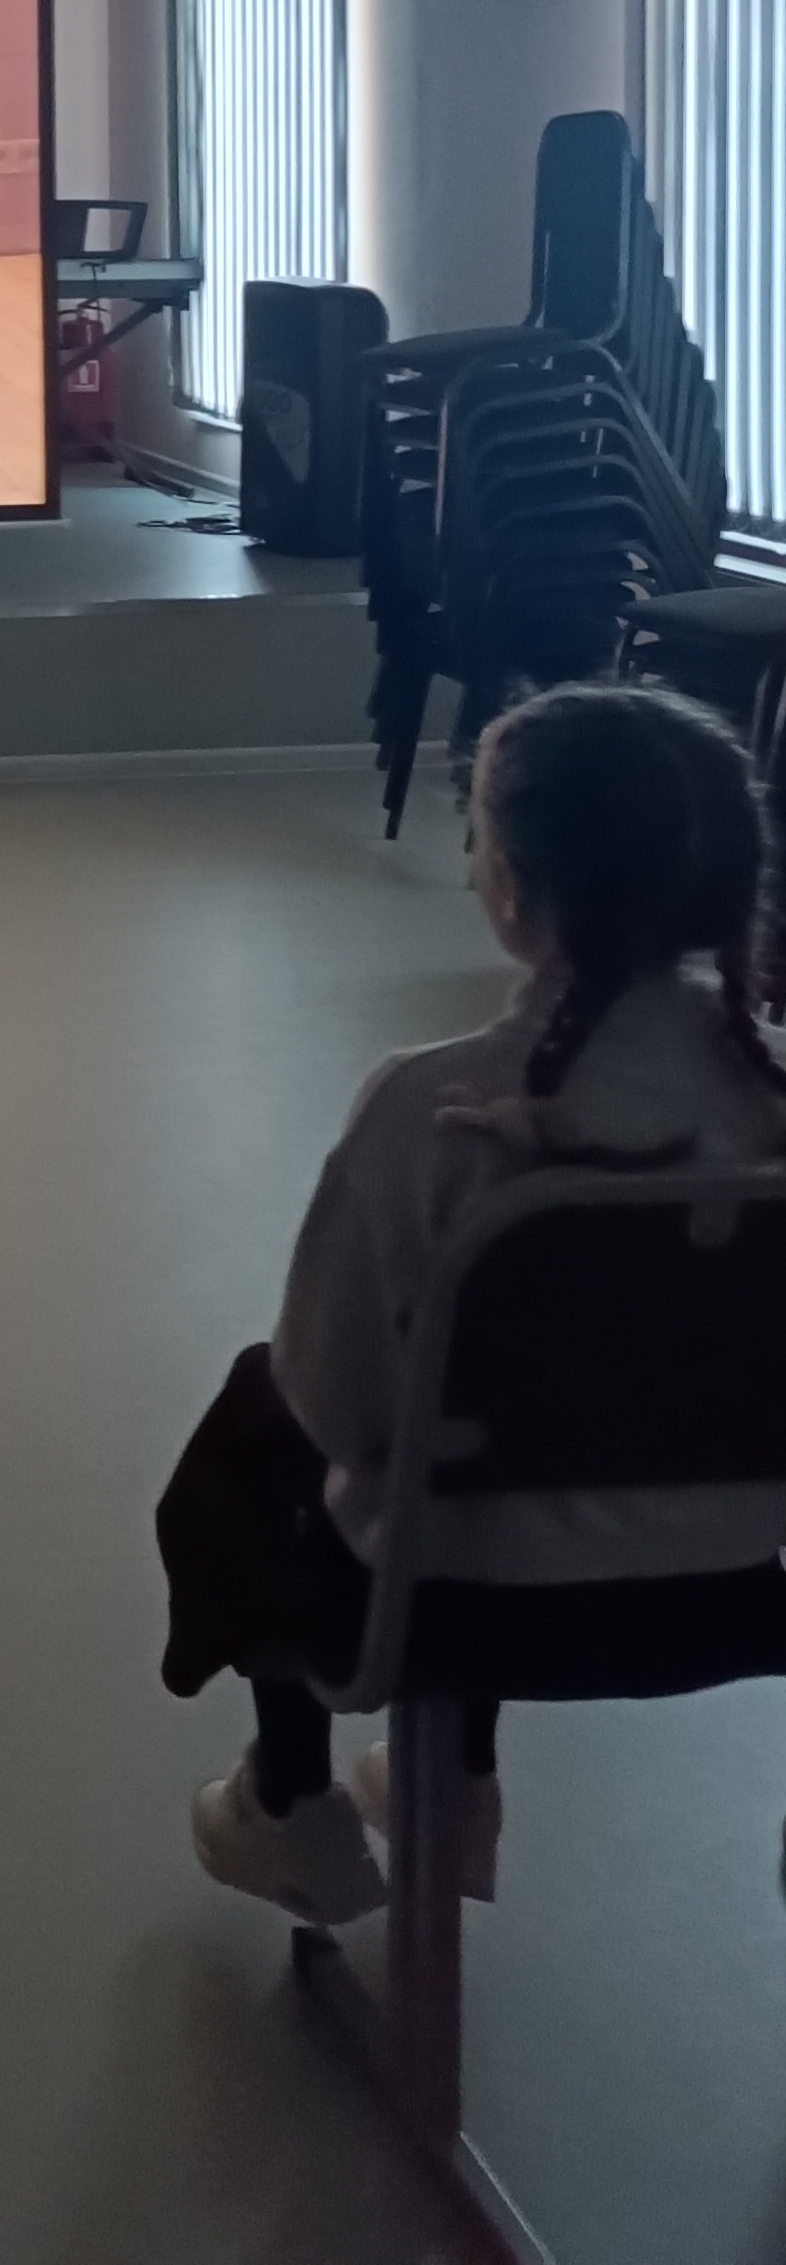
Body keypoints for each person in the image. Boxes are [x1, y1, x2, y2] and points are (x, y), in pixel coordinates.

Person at [162, 681, 786, 1925]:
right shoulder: (770, 1117)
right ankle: (454, 1785)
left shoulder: (426, 1110)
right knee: (513, 1417)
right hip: (731, 1589)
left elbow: (338, 1407)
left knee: (266, 1424)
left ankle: (291, 1800)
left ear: (514, 887)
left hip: (452, 1611)